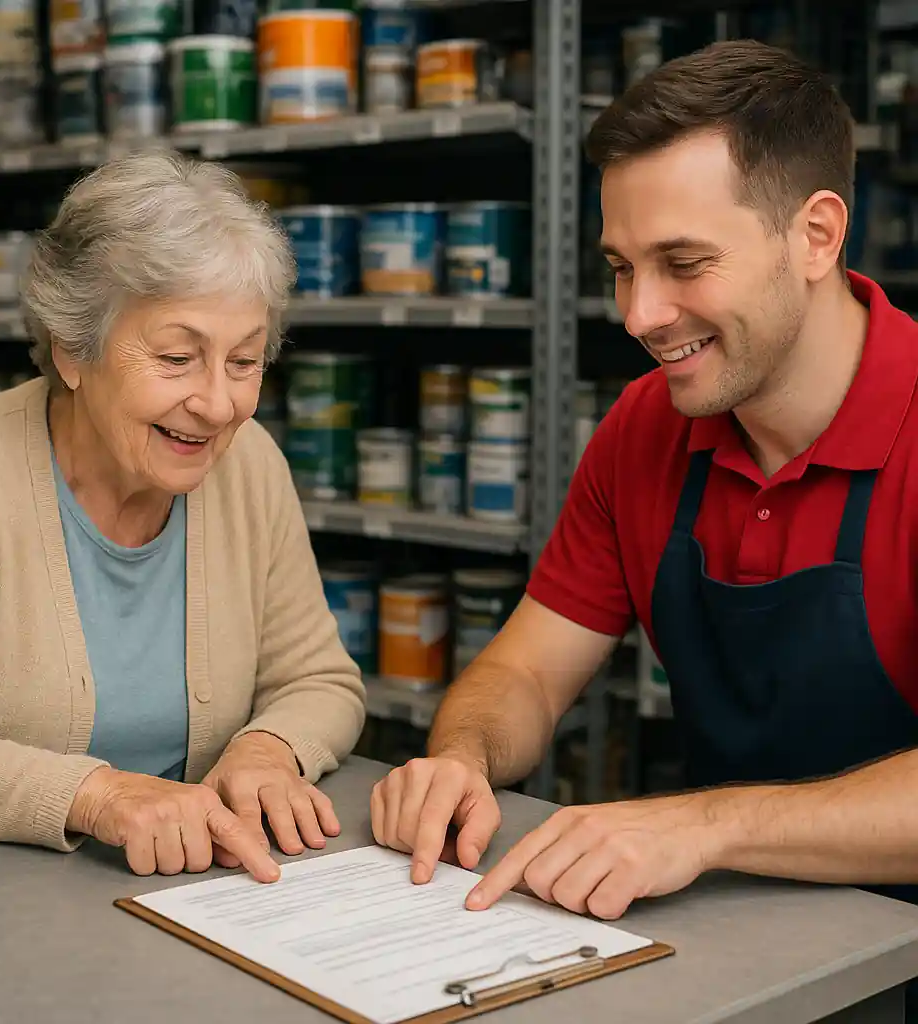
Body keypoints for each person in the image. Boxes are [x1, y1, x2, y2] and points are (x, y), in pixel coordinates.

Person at [371, 38, 918, 943]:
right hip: (741, 941)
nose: (639, 315)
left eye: (685, 263)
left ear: (816, 235)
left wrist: (702, 825)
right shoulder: (644, 428)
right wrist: (462, 760)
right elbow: (524, 673)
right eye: (622, 267)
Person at [0, 149, 366, 878]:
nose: (216, 404)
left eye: (243, 362)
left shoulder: (251, 462)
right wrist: (96, 796)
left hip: (205, 894)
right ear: (74, 352)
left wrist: (269, 747)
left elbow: (320, 680)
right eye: (178, 358)